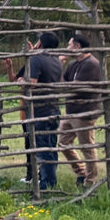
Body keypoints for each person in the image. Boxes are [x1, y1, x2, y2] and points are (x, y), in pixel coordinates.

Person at [59, 32, 105, 189]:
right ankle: (81, 172)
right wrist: (61, 65)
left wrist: (65, 85)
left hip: (84, 111)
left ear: (77, 46)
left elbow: (74, 88)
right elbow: (62, 83)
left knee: (86, 147)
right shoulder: (73, 64)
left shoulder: (91, 64)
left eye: (69, 45)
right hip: (72, 110)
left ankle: (90, 180)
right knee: (63, 142)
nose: (67, 48)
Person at [21, 31, 63, 190]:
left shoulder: (36, 59)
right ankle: (51, 181)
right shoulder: (56, 61)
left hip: (40, 110)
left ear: (41, 44)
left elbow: (31, 83)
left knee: (43, 148)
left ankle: (46, 184)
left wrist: (21, 81)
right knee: (51, 147)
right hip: (54, 108)